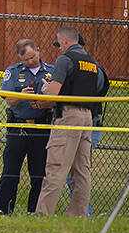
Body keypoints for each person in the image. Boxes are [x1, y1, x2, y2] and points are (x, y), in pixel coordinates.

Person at [33, 26, 100, 217]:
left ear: (64, 41)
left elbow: (52, 95)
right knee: (82, 171)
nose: (59, 49)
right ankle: (78, 215)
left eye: (59, 45)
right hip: (87, 117)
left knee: (56, 168)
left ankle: (43, 214)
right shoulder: (91, 62)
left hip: (68, 117)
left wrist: (45, 90)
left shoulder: (65, 60)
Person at [0, 38, 52, 214]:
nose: (30, 62)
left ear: (38, 50)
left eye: (32, 57)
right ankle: (3, 210)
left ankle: (35, 211)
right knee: (10, 172)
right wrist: (22, 96)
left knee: (39, 174)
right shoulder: (13, 72)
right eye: (26, 59)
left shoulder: (51, 72)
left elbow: (57, 100)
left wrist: (44, 102)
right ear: (19, 58)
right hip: (18, 128)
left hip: (41, 128)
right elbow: (9, 100)